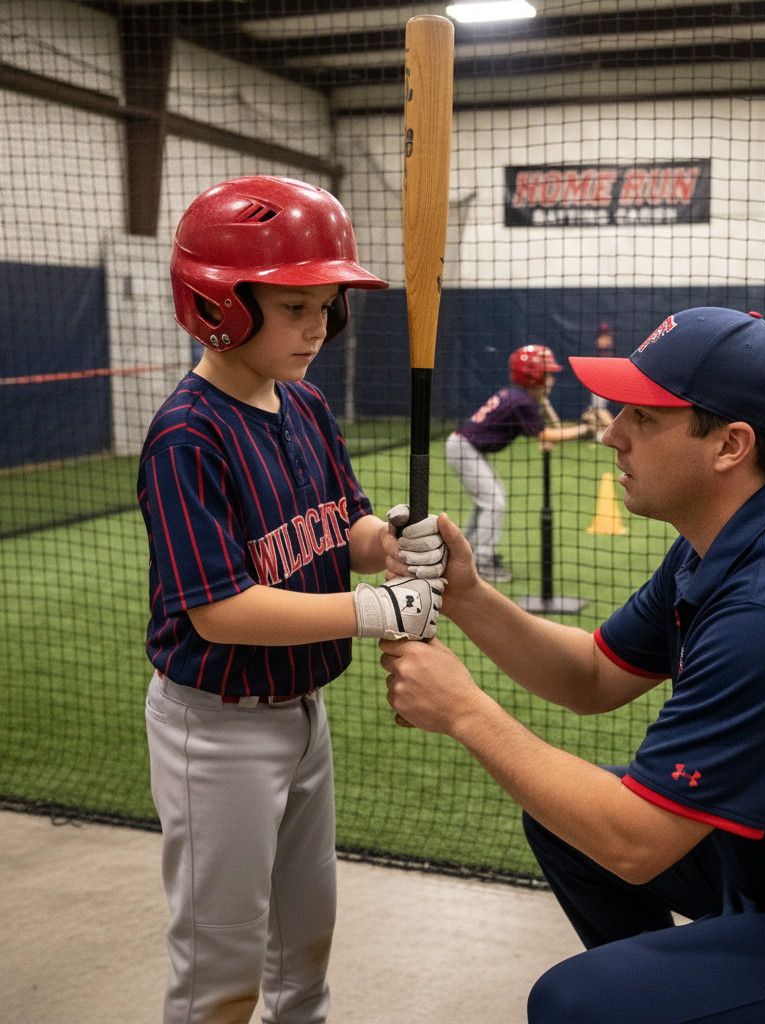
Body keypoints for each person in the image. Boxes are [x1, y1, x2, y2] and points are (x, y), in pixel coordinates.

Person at [381, 307, 765, 1024]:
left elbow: (635, 842)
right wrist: (467, 594)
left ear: (730, 445)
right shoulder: (719, 541)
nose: (614, 433)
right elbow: (593, 676)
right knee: (560, 822)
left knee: (573, 1002)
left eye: (645, 418)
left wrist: (466, 711)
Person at [139, 176, 447, 1024]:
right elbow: (221, 609)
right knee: (221, 970)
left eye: (328, 306)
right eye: (296, 306)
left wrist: (388, 543)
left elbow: (340, 526)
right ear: (219, 307)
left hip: (304, 714)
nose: (319, 327)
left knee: (306, 945)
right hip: (217, 726)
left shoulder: (306, 405)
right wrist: (374, 610)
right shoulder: (186, 434)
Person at [445, 344, 596, 583]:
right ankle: (481, 561)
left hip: (464, 447)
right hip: (464, 449)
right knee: (493, 501)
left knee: (488, 500)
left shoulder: (519, 397)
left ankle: (468, 553)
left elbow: (543, 432)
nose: (552, 381)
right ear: (533, 376)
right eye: (548, 375)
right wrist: (585, 430)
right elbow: (545, 435)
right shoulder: (522, 402)